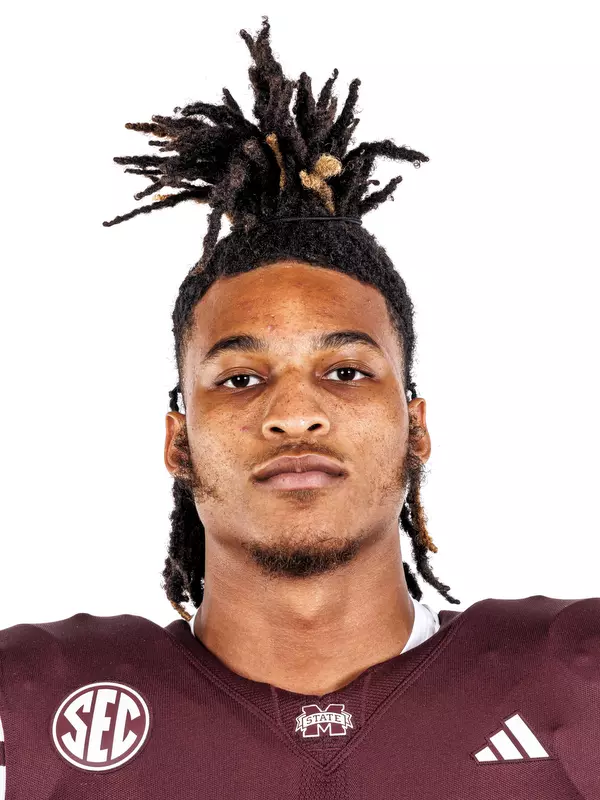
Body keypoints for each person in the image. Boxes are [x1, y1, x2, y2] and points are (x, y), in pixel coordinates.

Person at [0, 16, 597, 800]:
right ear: (178, 442)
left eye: (346, 371)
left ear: (416, 427)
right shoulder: (34, 704)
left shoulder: (575, 678)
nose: (294, 414)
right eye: (241, 379)